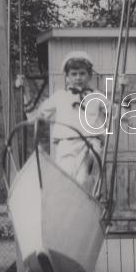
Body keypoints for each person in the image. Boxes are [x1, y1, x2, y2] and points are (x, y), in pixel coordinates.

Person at [24, 50, 108, 193]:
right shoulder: (59, 97)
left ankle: (91, 197)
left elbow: (117, 112)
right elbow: (35, 116)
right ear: (67, 77)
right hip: (66, 145)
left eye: (82, 73)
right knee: (65, 181)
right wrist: (25, 91)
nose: (78, 78)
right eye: (74, 74)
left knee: (83, 180)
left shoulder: (97, 96)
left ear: (89, 75)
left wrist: (122, 88)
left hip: (90, 145)